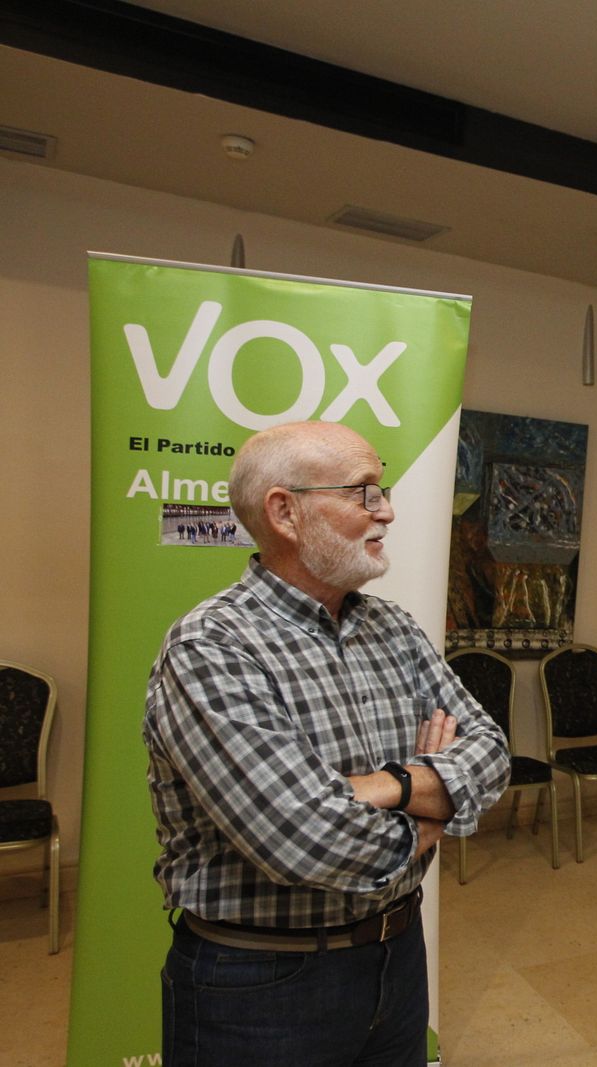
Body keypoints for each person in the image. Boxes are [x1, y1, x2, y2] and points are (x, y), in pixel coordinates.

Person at [144, 421, 510, 1066]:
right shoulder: (212, 648)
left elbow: (489, 748)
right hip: (259, 986)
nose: (387, 511)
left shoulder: (392, 627)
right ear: (285, 511)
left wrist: (388, 785)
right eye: (364, 492)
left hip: (396, 960)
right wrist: (432, 813)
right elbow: (306, 839)